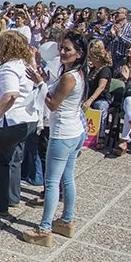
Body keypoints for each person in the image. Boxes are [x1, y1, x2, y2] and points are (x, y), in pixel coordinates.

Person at [23, 31, 89, 246]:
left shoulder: (70, 77)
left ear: (79, 53)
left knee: (52, 182)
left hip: (63, 133)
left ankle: (44, 228)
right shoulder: (77, 73)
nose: (61, 52)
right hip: (75, 130)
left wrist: (41, 83)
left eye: (67, 49)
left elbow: (52, 104)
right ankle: (67, 220)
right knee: (67, 178)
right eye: (61, 47)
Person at [0, 30, 38, 216]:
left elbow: (11, 94)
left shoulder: (9, 68)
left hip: (11, 121)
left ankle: (0, 204)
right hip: (27, 119)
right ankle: (13, 196)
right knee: (14, 157)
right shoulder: (25, 64)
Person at [82, 40, 112, 149]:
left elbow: (101, 87)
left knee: (100, 107)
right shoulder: (93, 70)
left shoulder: (105, 70)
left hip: (101, 98)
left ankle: (101, 136)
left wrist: (90, 100)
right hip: (89, 96)